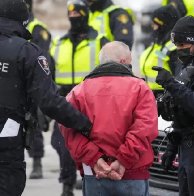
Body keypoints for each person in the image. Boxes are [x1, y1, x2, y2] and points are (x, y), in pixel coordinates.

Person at [0, 0, 92, 196]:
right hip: (6, 142)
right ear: (23, 21)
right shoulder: (26, 52)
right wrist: (85, 123)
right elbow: (49, 101)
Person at [59, 41, 158, 196]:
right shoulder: (140, 88)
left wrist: (95, 159)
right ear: (124, 61)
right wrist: (123, 160)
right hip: (132, 174)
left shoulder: (79, 91)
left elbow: (67, 127)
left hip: (94, 174)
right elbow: (144, 128)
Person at [50, 0, 108, 195]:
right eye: (71, 14)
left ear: (85, 14)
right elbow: (48, 74)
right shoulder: (59, 43)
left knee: (93, 145)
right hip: (64, 101)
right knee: (60, 142)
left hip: (92, 101)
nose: (74, 17)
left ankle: (91, 179)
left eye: (78, 14)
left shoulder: (100, 40)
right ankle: (67, 183)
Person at [152, 16, 194, 196]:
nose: (179, 51)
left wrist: (171, 83)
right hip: (186, 146)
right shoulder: (186, 66)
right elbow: (180, 109)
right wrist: (172, 146)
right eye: (176, 46)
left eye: (183, 46)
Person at [25, 0, 53, 180]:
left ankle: (37, 163)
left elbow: (41, 58)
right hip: (12, 82)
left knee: (33, 125)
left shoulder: (37, 28)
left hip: (31, 84)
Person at [140, 4, 180, 100]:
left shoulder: (174, 48)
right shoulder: (156, 43)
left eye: (155, 23)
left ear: (163, 24)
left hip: (166, 97)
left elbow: (180, 79)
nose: (152, 26)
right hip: (151, 96)